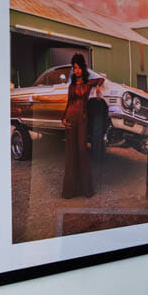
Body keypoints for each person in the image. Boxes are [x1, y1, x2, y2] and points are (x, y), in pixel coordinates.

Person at [62, 53, 103, 199]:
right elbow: (68, 103)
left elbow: (101, 79)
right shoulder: (71, 86)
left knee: (82, 150)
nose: (76, 70)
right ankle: (70, 190)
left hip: (82, 119)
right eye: (74, 68)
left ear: (83, 69)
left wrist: (97, 88)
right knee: (71, 152)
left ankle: (86, 189)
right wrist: (64, 118)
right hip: (71, 118)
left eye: (78, 68)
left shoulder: (88, 83)